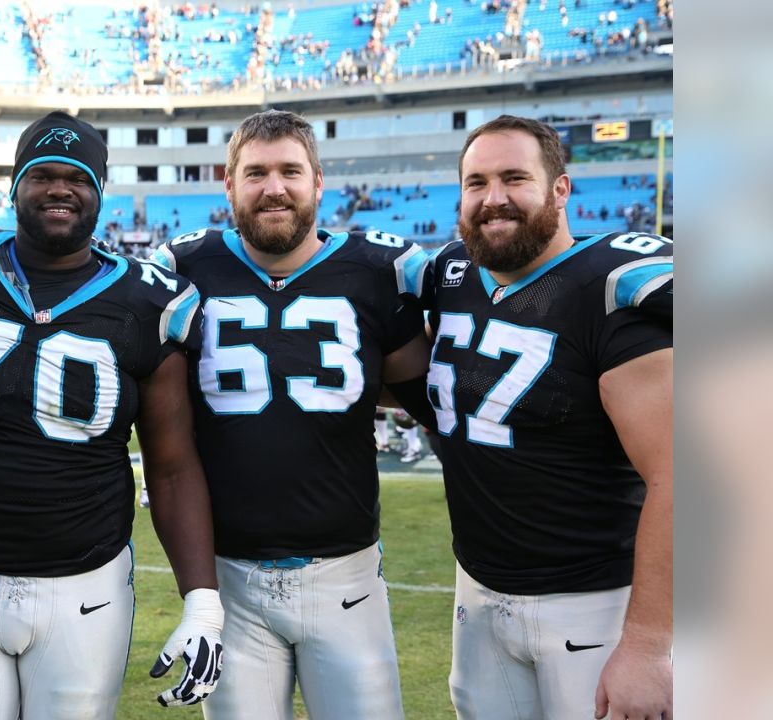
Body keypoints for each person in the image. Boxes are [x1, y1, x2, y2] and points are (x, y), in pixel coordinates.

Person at [0, 111, 224, 719]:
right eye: (42, 175)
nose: (59, 189)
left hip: (87, 584)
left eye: (77, 178)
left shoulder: (149, 299)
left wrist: (201, 600)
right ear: (15, 186)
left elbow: (173, 464)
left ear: (99, 193)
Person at [149, 109, 434, 720]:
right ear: (228, 185)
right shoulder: (182, 269)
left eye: (289, 172)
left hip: (347, 576)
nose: (273, 188)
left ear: (318, 182)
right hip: (229, 577)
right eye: (254, 173)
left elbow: (432, 401)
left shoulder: (377, 272)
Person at [417, 114, 673, 719]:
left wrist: (648, 643)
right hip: (477, 592)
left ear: (560, 189)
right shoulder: (453, 274)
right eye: (476, 183)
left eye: (514, 178)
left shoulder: (610, 287)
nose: (493, 199)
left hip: (595, 605)